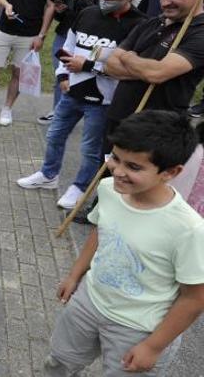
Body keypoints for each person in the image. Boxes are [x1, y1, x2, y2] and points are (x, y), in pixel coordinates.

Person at [44, 110, 204, 377]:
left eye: (134, 167)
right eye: (115, 158)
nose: (118, 171)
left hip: (139, 328)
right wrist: (75, 275)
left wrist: (153, 347)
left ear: (170, 172)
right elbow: (102, 231)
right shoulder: (109, 190)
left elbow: (194, 298)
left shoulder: (188, 229)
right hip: (89, 302)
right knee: (59, 361)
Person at [17, 0, 147, 210]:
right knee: (54, 135)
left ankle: (79, 187)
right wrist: (62, 76)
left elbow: (129, 68)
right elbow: (69, 45)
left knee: (90, 148)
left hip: (104, 99)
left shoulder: (139, 24)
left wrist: (89, 65)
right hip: (72, 92)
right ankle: (48, 174)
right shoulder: (88, 13)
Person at [105, 0, 204, 130]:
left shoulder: (199, 32)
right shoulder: (152, 22)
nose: (165, 2)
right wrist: (145, 70)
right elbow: (109, 65)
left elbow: (156, 73)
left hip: (156, 130)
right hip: (118, 119)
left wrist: (127, 57)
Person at [38, 0, 103, 125]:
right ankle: (58, 111)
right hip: (65, 34)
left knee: (82, 75)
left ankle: (78, 112)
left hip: (87, 39)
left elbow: (96, 14)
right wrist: (60, 9)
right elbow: (67, 15)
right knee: (61, 73)